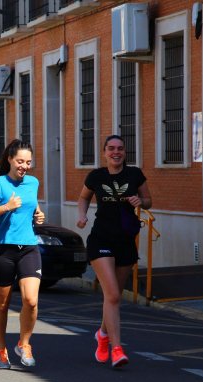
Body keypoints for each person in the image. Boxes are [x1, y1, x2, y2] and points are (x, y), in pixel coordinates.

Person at [76, 135, 152, 368]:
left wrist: (140, 202)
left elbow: (148, 200)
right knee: (114, 296)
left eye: (119, 148)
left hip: (126, 239)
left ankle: (102, 334)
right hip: (101, 239)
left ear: (125, 152)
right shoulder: (96, 176)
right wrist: (82, 215)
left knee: (113, 297)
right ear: (104, 152)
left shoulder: (135, 174)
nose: (115, 152)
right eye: (111, 148)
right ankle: (117, 349)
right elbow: (83, 197)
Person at [0, 139, 45, 369]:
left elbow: (32, 206)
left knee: (31, 300)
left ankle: (24, 344)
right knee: (2, 304)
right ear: (9, 159)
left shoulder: (33, 182)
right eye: (20, 161)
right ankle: (0, 349)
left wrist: (38, 215)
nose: (24, 166)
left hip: (28, 247)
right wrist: (6, 207)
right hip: (3, 249)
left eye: (28, 162)